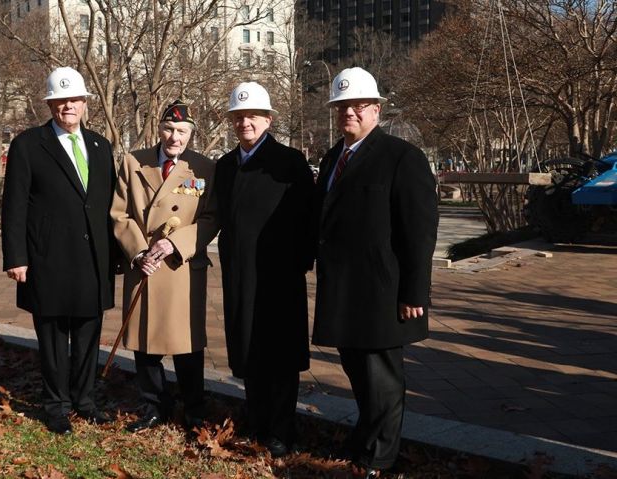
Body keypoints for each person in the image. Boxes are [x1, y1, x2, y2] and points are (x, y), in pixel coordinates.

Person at [312, 67, 438, 478]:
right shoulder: (334, 157)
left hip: (384, 290)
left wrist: (415, 292)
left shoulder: (402, 157)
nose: (349, 112)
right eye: (342, 106)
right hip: (345, 288)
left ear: (376, 109)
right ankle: (366, 438)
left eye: (358, 105)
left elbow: (419, 231)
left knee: (382, 377)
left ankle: (380, 457)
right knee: (358, 371)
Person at [1, 67, 117, 435]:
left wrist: (115, 254)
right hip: (47, 259)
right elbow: (14, 205)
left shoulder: (100, 146)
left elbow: (109, 204)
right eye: (61, 100)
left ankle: (84, 400)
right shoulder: (28, 145)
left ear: (85, 104)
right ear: (51, 104)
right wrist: (15, 257)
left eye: (75, 100)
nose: (68, 106)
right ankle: (56, 405)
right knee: (52, 339)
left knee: (88, 335)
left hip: (92, 260)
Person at [214, 82, 314, 457]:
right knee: (248, 349)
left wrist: (299, 263)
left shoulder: (290, 162)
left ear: (268, 119)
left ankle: (281, 430)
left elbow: (308, 217)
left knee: (280, 355)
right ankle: (255, 421)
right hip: (240, 274)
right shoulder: (225, 166)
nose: (245, 123)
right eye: (238, 117)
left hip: (279, 275)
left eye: (252, 116)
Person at [111, 100, 219, 432]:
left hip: (181, 267)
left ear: (192, 134)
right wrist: (139, 252)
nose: (175, 137)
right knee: (146, 343)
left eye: (182, 131)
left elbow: (211, 218)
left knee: (187, 344)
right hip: (145, 266)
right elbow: (118, 213)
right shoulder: (134, 162)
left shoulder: (204, 168)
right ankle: (154, 405)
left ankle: (194, 407)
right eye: (169, 129)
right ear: (159, 128)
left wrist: (176, 243)